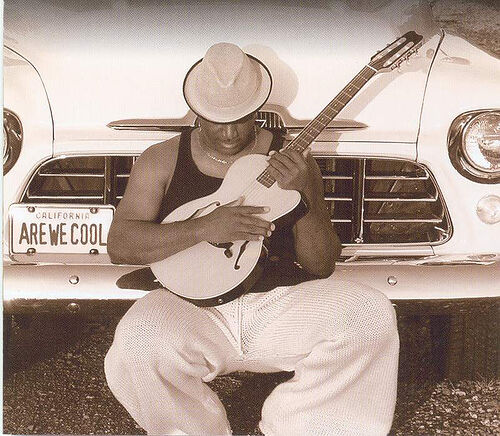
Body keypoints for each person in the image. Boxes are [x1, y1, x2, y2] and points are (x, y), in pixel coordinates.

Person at [104, 42, 399, 436]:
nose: (229, 133)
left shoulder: (291, 159)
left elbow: (321, 264)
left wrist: (305, 197)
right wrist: (204, 228)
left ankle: (304, 426)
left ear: (256, 110)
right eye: (216, 120)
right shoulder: (162, 158)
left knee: (369, 313)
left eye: (241, 119)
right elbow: (121, 245)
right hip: (190, 305)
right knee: (138, 338)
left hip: (278, 303)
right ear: (197, 112)